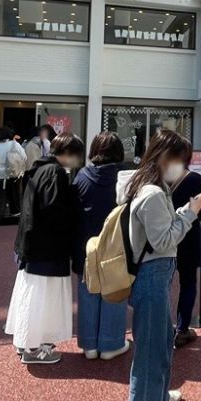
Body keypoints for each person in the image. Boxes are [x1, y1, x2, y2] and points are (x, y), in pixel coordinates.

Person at [118, 130, 201, 401]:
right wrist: (191, 212)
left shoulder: (142, 184)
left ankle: (155, 397)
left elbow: (159, 232)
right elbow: (164, 240)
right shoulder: (154, 193)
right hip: (152, 274)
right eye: (179, 160)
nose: (182, 167)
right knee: (150, 350)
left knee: (157, 344)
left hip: (150, 273)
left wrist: (185, 210)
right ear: (165, 157)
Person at [5, 132, 84, 364]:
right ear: (68, 153)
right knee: (41, 298)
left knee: (32, 295)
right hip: (47, 248)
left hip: (33, 246)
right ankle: (33, 347)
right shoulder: (55, 172)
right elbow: (54, 211)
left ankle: (26, 342)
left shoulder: (41, 169)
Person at [72, 131, 129, 360]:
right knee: (113, 292)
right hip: (116, 248)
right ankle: (111, 343)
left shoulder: (82, 176)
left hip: (86, 247)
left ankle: (89, 346)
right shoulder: (124, 177)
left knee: (88, 292)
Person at [170, 145, 201, 348]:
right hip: (188, 235)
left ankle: (161, 327)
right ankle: (182, 329)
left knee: (163, 285)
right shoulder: (194, 179)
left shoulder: (159, 178)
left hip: (164, 236)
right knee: (188, 283)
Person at [0, 127, 27, 217]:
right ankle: (14, 214)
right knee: (13, 198)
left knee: (0, 198)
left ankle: (0, 215)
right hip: (11, 174)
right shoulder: (14, 144)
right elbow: (24, 157)